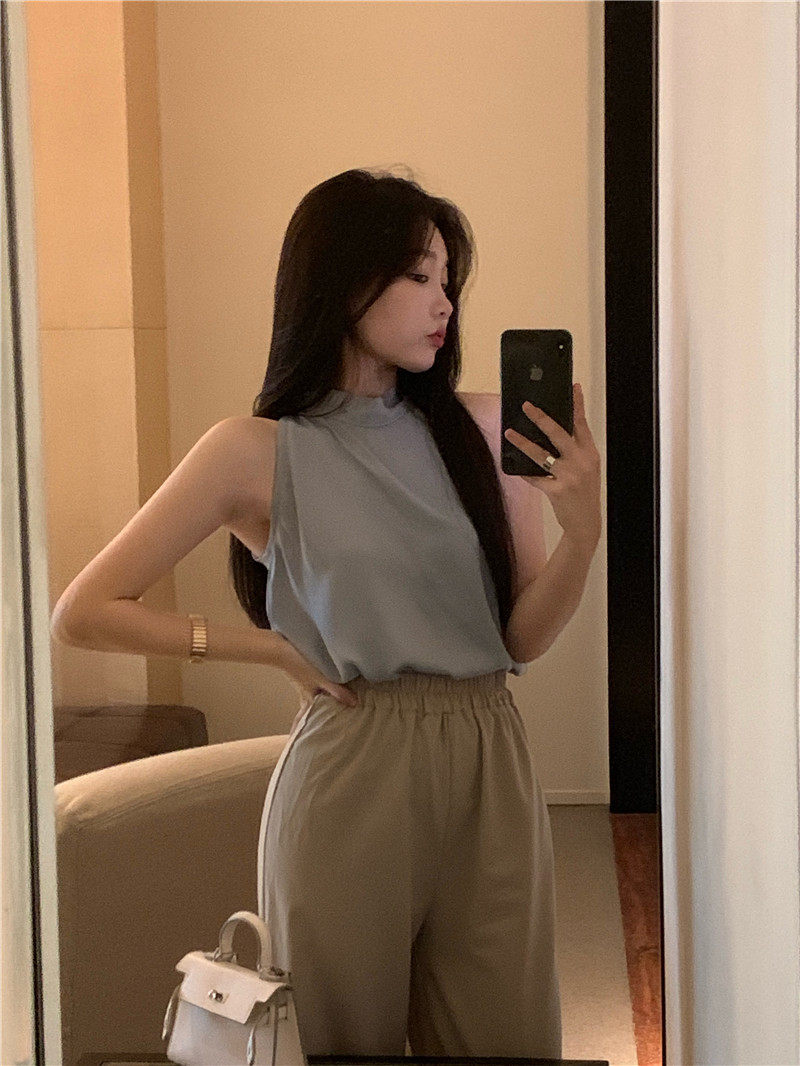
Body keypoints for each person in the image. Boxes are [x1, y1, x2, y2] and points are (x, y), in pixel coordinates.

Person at [52, 166, 601, 1060]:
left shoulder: (482, 430)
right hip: (352, 766)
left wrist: (583, 534)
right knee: (338, 1043)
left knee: (508, 1040)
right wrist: (271, 650)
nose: (445, 302)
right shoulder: (254, 451)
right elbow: (85, 611)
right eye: (419, 276)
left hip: (491, 757)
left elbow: (518, 641)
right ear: (345, 284)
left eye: (448, 280)